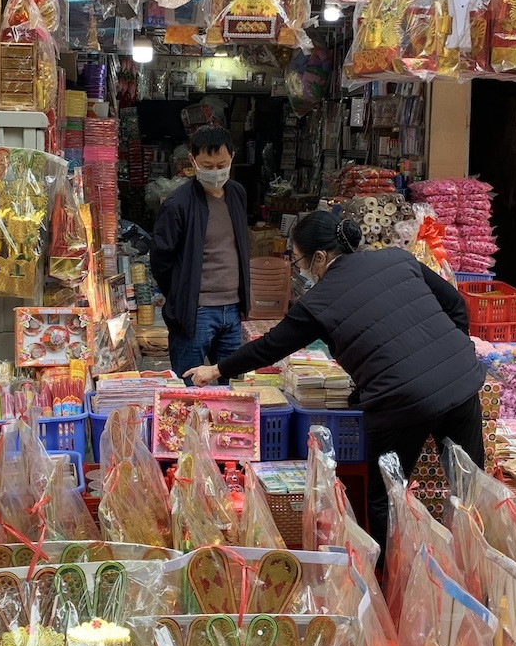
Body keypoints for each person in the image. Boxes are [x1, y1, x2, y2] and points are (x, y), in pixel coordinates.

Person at [186, 210, 485, 552]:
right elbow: (456, 305)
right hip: (462, 382)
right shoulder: (396, 259)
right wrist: (452, 355)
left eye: (297, 259)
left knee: (386, 496)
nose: (298, 269)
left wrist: (216, 369)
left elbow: (269, 347)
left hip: (403, 400)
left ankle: (390, 586)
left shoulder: (317, 301)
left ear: (319, 257)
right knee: (472, 487)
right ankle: (481, 570)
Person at [151, 126, 251, 380]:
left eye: (221, 165)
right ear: (192, 161)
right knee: (188, 387)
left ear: (233, 157)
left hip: (232, 310)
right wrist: (181, 296)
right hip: (196, 312)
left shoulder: (237, 193)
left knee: (231, 389)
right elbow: (161, 261)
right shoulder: (177, 204)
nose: (215, 172)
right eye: (207, 165)